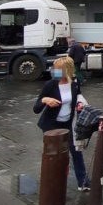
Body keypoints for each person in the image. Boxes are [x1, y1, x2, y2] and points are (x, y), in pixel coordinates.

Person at [33, 56, 90, 191]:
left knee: (76, 151)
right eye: (54, 68)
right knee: (54, 155)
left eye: (57, 69)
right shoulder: (50, 85)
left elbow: (78, 96)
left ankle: (83, 182)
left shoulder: (74, 83)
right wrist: (45, 100)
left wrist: (80, 103)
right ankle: (52, 183)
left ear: (67, 71)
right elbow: (36, 108)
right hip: (51, 126)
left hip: (68, 124)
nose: (54, 71)